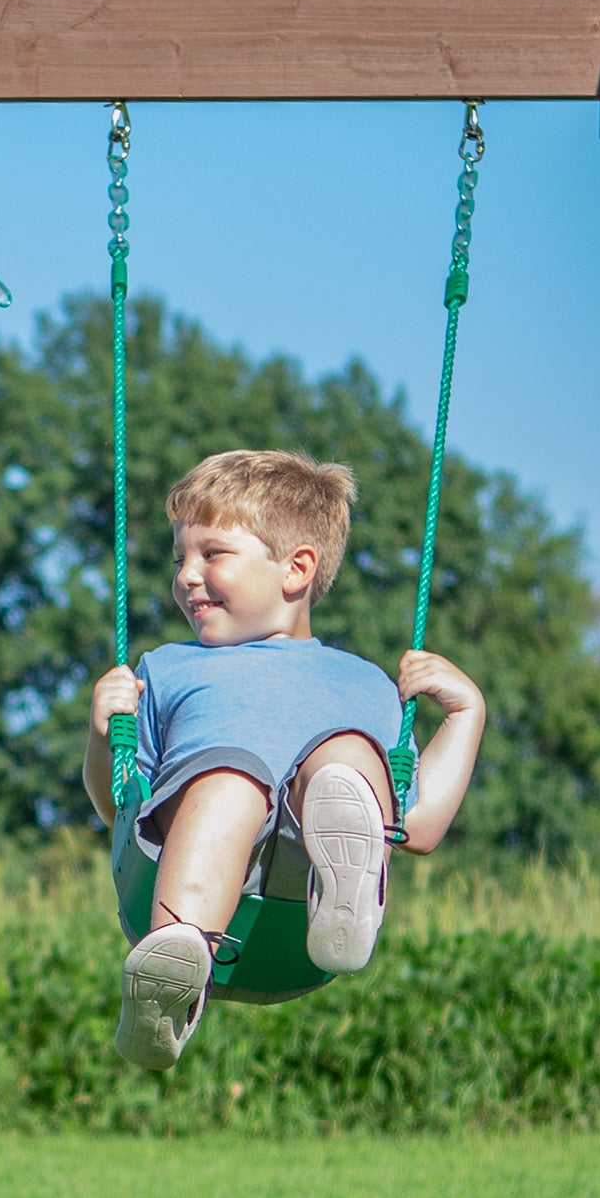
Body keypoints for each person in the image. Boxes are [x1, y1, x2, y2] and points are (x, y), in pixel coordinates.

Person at [83, 450, 485, 1071]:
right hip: (189, 886)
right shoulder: (166, 669)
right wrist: (102, 731)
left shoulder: (366, 683)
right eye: (180, 559)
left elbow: (418, 826)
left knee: (345, 755)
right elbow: (120, 804)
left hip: (300, 903)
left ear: (296, 569)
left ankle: (347, 894)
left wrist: (466, 713)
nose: (187, 575)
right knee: (231, 778)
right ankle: (171, 973)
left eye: (212, 554)